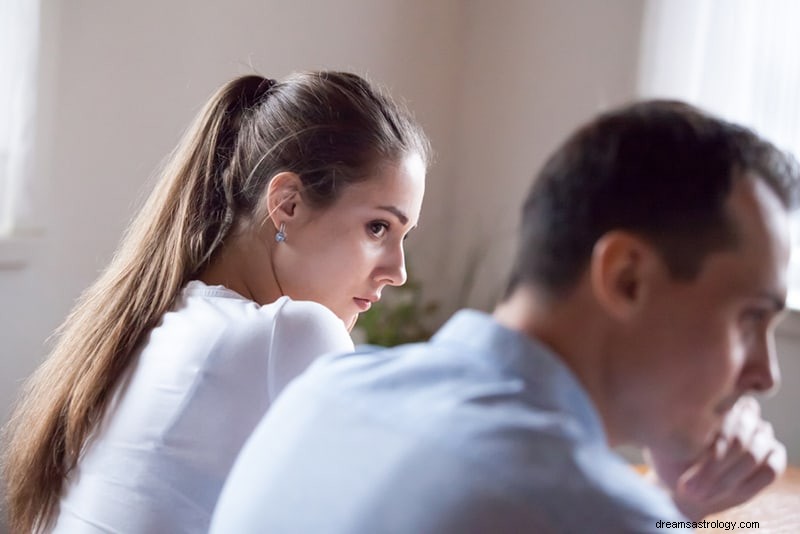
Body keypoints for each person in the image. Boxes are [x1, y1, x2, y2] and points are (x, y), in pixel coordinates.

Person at [209, 100, 798, 533]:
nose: (764, 375)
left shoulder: (325, 391)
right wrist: (662, 512)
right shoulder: (581, 508)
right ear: (626, 278)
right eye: (749, 318)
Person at [2, 71, 429, 533]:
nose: (398, 272)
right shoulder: (290, 334)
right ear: (287, 204)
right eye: (378, 228)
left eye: (403, 236)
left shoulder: (149, 322)